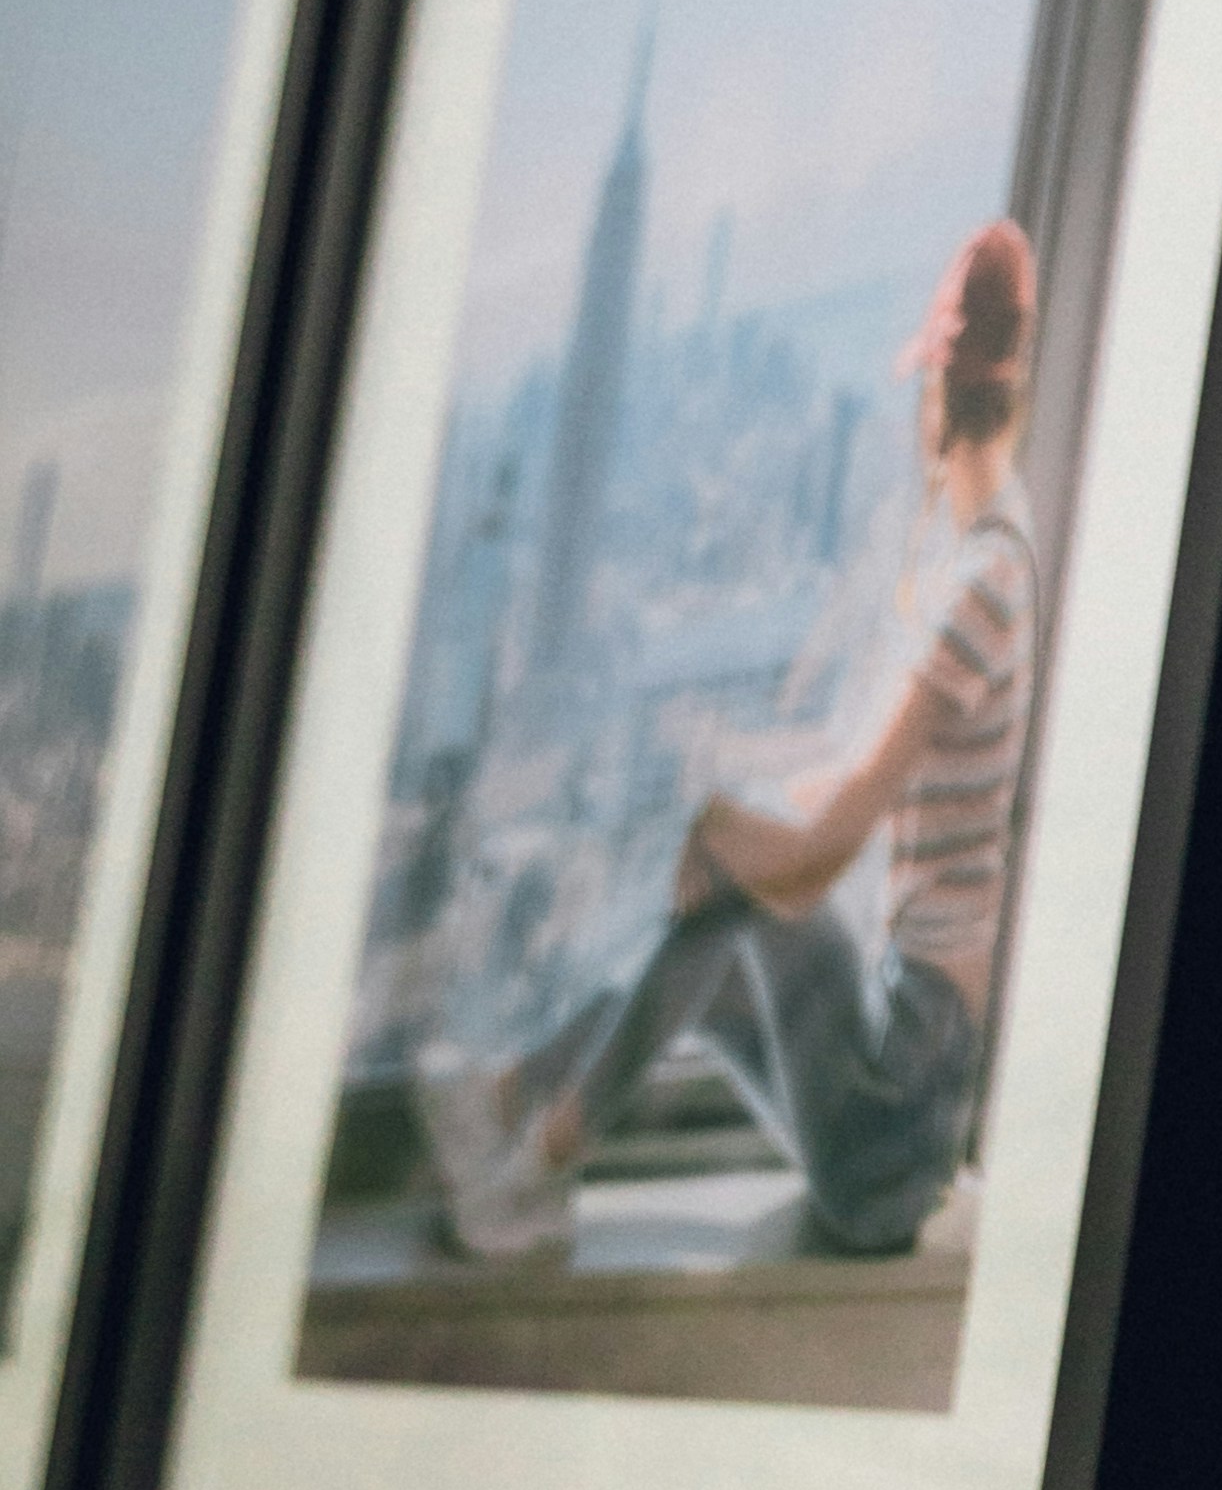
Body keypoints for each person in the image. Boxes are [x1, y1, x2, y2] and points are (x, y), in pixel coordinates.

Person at [418, 219, 1043, 1270]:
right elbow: (850, 760)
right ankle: (514, 1105)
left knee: (748, 904)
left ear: (934, 399)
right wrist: (728, 779)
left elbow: (834, 834)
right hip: (900, 1081)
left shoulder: (982, 580)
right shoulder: (974, 559)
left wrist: (720, 833)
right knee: (707, 950)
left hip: (899, 1125)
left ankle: (532, 1165)